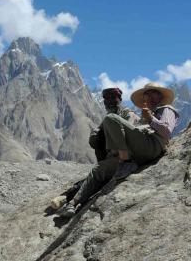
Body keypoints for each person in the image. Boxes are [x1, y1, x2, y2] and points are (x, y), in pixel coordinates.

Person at [61, 82, 179, 217]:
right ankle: (72, 204)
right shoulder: (146, 114)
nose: (149, 98)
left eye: (153, 94)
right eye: (147, 95)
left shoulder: (167, 109)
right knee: (99, 169)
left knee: (110, 119)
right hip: (138, 153)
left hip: (151, 145)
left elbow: (166, 131)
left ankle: (125, 161)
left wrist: (150, 119)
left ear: (160, 96)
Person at [58, 87, 139, 206]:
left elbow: (130, 132)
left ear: (120, 99)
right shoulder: (108, 118)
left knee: (96, 174)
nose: (110, 101)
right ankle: (70, 197)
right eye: (106, 98)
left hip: (126, 156)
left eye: (113, 97)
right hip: (111, 158)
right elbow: (95, 140)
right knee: (95, 140)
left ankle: (73, 203)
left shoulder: (128, 114)